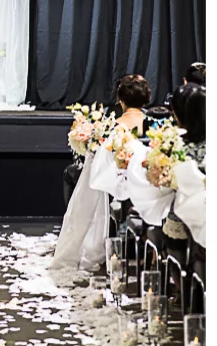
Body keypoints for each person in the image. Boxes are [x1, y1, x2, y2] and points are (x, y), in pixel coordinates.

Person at [49, 73, 152, 279]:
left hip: (119, 186)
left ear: (120, 99)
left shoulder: (112, 126)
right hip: (149, 184)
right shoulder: (154, 124)